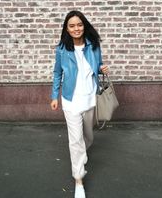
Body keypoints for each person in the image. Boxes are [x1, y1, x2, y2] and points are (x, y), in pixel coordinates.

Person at [50, 11, 109, 198]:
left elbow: (97, 66)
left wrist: (102, 68)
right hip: (70, 100)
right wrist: (54, 96)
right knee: (75, 141)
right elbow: (57, 73)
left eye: (79, 25)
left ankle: (81, 155)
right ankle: (78, 179)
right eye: (72, 26)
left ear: (84, 26)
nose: (76, 29)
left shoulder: (93, 45)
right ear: (67, 29)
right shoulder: (62, 49)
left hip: (90, 98)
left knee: (88, 137)